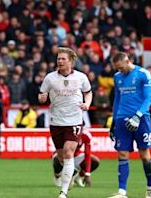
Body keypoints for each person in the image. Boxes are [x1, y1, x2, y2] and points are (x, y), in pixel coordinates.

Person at [38, 47, 92, 198]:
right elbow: (42, 94)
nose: (60, 61)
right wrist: (42, 98)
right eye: (58, 59)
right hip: (56, 121)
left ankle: (63, 192)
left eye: (63, 59)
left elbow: (88, 92)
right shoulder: (50, 78)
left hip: (74, 121)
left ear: (71, 61)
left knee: (69, 152)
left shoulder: (81, 77)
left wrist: (87, 104)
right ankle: (67, 172)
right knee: (61, 157)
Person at [108, 52, 151, 198]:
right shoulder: (117, 77)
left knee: (144, 155)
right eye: (117, 68)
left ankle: (150, 187)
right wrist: (114, 121)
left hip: (141, 119)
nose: (119, 71)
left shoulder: (143, 74)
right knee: (122, 153)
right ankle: (122, 192)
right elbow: (117, 99)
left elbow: (148, 99)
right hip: (122, 118)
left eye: (121, 68)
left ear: (128, 61)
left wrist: (138, 116)